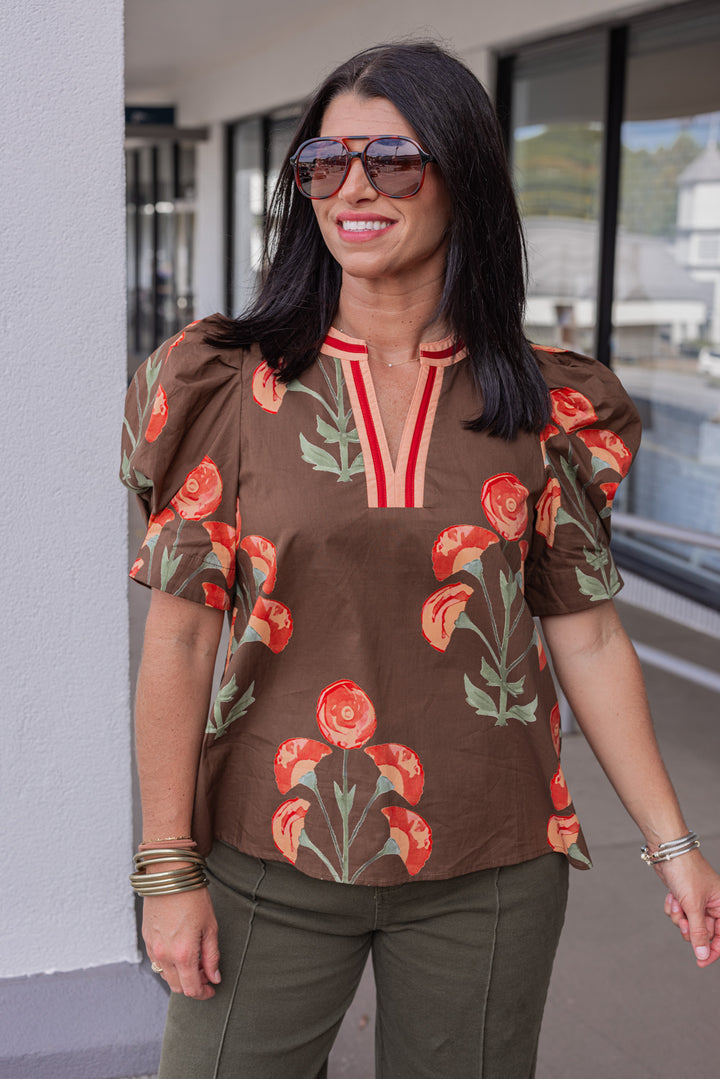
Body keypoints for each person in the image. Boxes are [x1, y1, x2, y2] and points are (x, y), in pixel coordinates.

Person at [121, 40, 720, 1079]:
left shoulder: (546, 405)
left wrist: (673, 841)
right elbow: (177, 643)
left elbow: (585, 634)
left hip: (491, 860)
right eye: (324, 161)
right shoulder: (227, 387)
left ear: (464, 176)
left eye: (393, 159)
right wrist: (166, 869)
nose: (354, 186)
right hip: (265, 851)